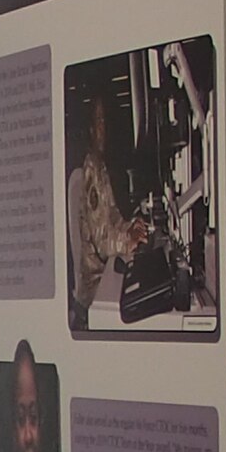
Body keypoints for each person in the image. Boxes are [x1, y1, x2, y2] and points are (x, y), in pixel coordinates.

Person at [70, 98, 148, 321]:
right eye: (99, 121)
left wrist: (131, 227)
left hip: (105, 276)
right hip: (94, 289)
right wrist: (128, 241)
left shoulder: (100, 166)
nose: (104, 128)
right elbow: (104, 244)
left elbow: (112, 216)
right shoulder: (91, 169)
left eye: (105, 120)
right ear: (91, 129)